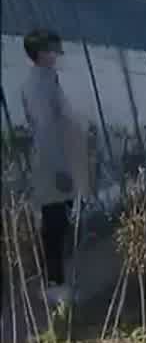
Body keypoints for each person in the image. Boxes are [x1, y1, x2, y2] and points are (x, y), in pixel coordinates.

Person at [18, 29, 93, 312]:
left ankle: (60, 284)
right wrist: (59, 168)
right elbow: (47, 130)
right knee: (54, 226)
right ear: (40, 52)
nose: (57, 54)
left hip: (59, 162)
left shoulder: (49, 80)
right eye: (53, 49)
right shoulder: (37, 85)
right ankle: (55, 286)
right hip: (52, 166)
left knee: (60, 225)